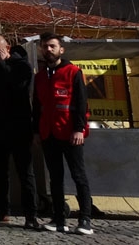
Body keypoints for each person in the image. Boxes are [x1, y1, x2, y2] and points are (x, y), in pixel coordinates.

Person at [34, 33, 93, 235]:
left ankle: (85, 219)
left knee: (79, 176)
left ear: (61, 49)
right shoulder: (40, 76)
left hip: (70, 133)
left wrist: (79, 128)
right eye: (44, 47)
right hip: (48, 133)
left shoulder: (73, 72)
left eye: (52, 46)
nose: (48, 50)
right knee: (55, 178)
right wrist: (37, 130)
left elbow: (81, 102)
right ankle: (59, 218)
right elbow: (37, 106)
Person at [0, 36, 39, 229]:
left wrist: (4, 64)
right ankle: (1, 211)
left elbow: (19, 89)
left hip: (19, 127)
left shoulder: (22, 66)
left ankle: (31, 215)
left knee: (25, 174)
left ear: (7, 48)